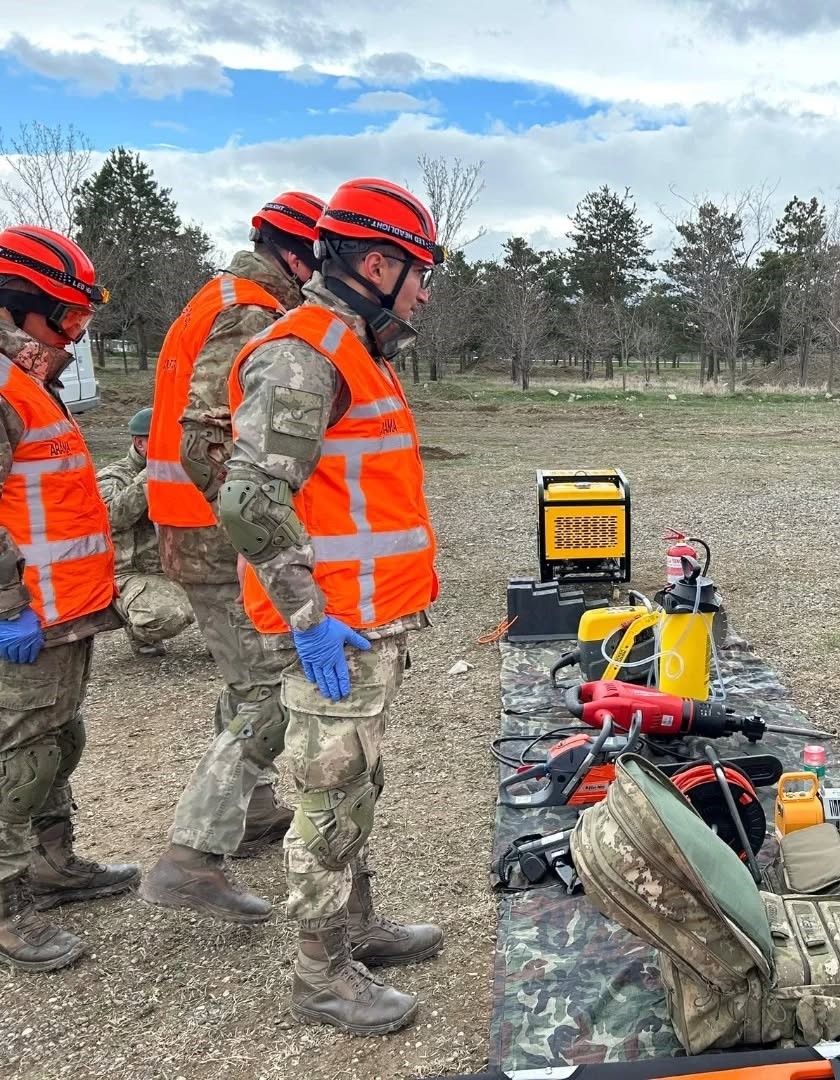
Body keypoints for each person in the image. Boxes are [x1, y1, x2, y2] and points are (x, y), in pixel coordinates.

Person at [216, 178, 442, 1034]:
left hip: (365, 621)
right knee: (327, 796)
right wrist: (309, 619)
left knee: (355, 784)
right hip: (335, 630)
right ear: (378, 263)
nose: (423, 291)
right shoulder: (306, 354)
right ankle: (321, 976)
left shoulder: (352, 349)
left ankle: (356, 927)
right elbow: (247, 499)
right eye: (419, 272)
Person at [140, 193, 325, 924]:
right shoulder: (250, 311)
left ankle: (247, 812)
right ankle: (193, 856)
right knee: (269, 691)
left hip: (192, 526)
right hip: (216, 532)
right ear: (299, 256)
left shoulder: (218, 296)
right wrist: (255, 520)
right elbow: (209, 438)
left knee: (246, 677)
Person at [0, 225, 137, 971]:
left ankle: (53, 866)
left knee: (58, 744)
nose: (77, 336)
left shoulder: (25, 380)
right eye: (68, 318)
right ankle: (8, 903)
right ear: (20, 305)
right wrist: (6, 605)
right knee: (19, 758)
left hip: (61, 609)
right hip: (24, 614)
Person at [95, 407, 195, 656]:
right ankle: (133, 622)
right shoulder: (114, 477)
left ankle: (222, 643)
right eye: (164, 438)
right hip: (133, 573)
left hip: (179, 565)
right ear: (141, 443)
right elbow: (111, 519)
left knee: (232, 599)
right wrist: (151, 474)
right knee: (170, 615)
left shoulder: (181, 471)